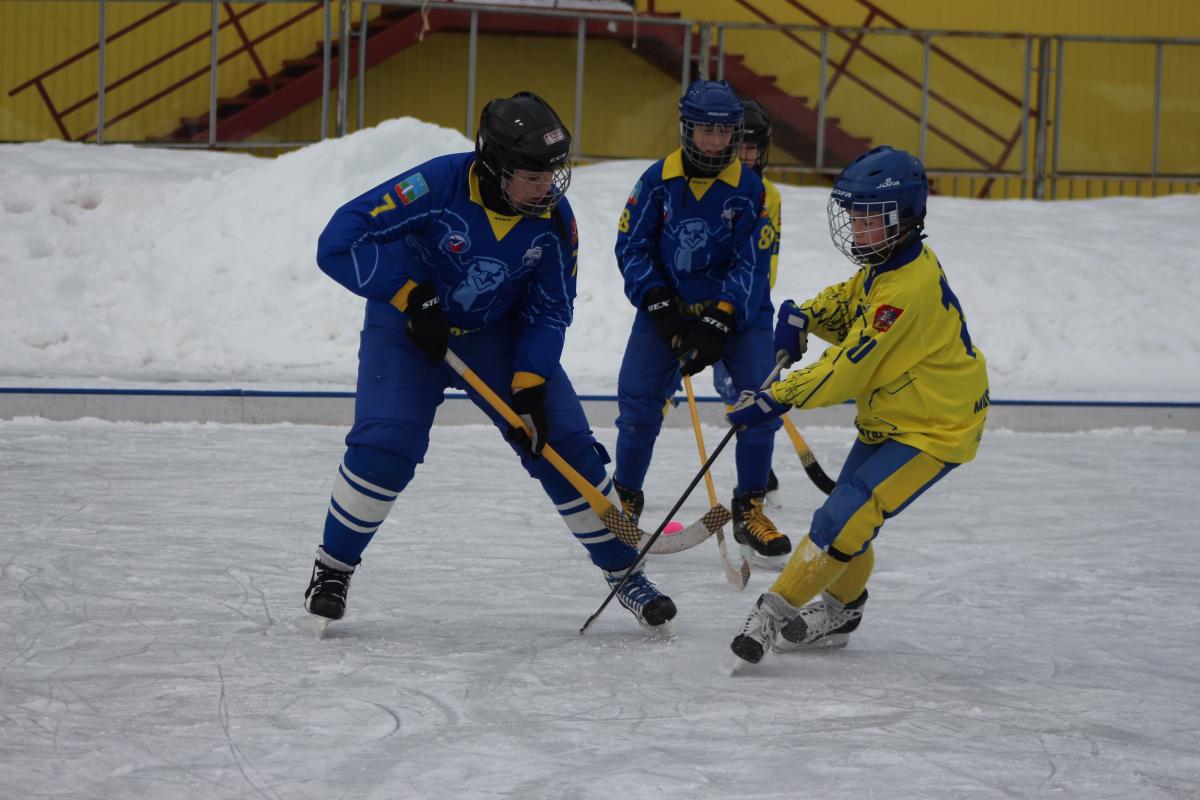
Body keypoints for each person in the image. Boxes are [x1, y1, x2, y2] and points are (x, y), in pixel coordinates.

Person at [304, 91, 676, 632]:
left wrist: (528, 383)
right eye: (532, 175)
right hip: (409, 327)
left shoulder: (554, 221)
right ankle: (333, 568)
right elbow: (338, 242)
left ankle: (625, 573)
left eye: (554, 173)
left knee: (564, 445)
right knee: (385, 444)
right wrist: (410, 294)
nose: (548, 186)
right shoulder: (436, 185)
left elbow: (551, 309)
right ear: (494, 165)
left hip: (495, 334)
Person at [726, 145, 989, 664]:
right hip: (893, 416)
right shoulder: (886, 266)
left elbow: (847, 371)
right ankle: (843, 612)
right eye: (853, 215)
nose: (856, 228)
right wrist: (806, 316)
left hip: (936, 430)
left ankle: (771, 614)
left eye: (870, 218)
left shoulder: (903, 292)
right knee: (850, 517)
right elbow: (850, 302)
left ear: (906, 217)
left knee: (844, 514)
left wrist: (775, 397)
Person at [611, 79, 791, 566]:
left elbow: (752, 262)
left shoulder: (752, 191)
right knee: (639, 404)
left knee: (758, 403)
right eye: (704, 131)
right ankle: (624, 497)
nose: (714, 142)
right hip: (667, 306)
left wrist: (719, 320)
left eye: (723, 132)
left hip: (739, 315)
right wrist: (659, 306)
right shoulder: (655, 182)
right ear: (686, 129)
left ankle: (750, 507)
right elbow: (631, 246)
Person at [711, 96, 783, 505]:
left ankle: (758, 473)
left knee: (751, 393)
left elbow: (764, 260)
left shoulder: (767, 195)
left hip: (747, 310)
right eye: (738, 146)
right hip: (706, 308)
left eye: (751, 147)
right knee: (729, 386)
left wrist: (747, 305)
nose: (744, 156)